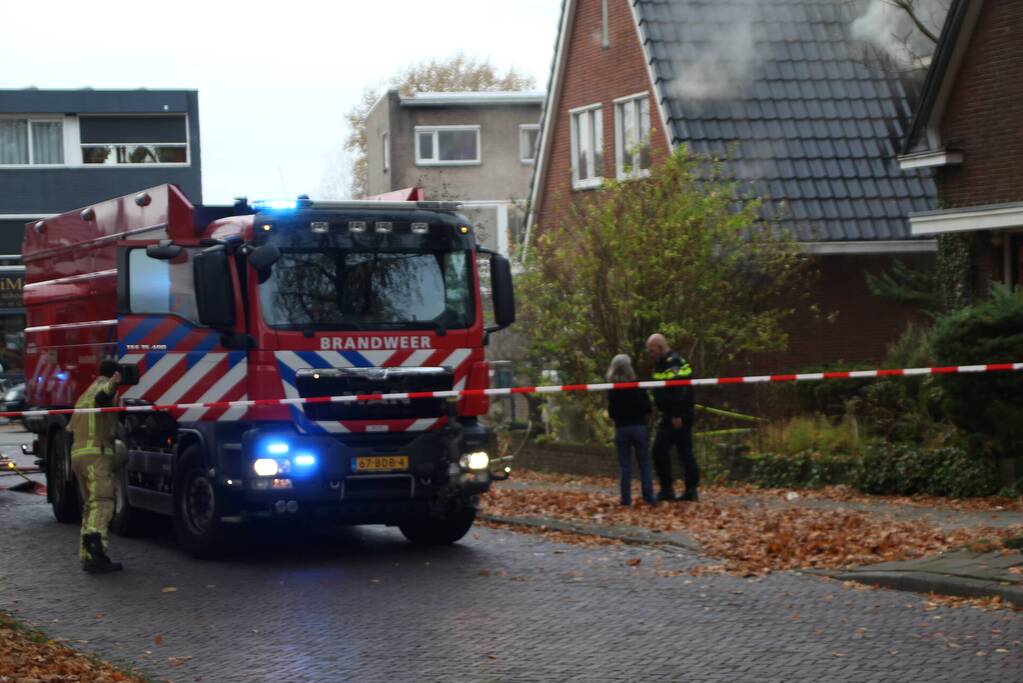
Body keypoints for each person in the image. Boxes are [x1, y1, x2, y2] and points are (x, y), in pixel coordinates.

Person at [67, 359, 123, 573]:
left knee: (90, 506)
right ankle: (96, 554)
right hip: (96, 455)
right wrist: (115, 383)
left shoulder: (85, 394)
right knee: (102, 503)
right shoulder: (102, 389)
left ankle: (87, 555)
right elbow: (104, 396)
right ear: (114, 374)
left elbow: (70, 427)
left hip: (78, 456)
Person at [646, 333, 699, 502]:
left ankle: (690, 489)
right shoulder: (661, 364)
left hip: (678, 416)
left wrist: (677, 414)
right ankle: (668, 489)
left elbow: (681, 390)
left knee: (681, 452)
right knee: (663, 451)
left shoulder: (674, 362)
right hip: (669, 415)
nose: (650, 354)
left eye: (652, 350)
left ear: (661, 347)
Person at [606, 354, 656, 507]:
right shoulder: (637, 386)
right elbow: (647, 407)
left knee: (625, 466)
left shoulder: (612, 389)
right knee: (644, 464)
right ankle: (649, 498)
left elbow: (612, 412)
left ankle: (625, 500)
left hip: (622, 429)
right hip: (639, 427)